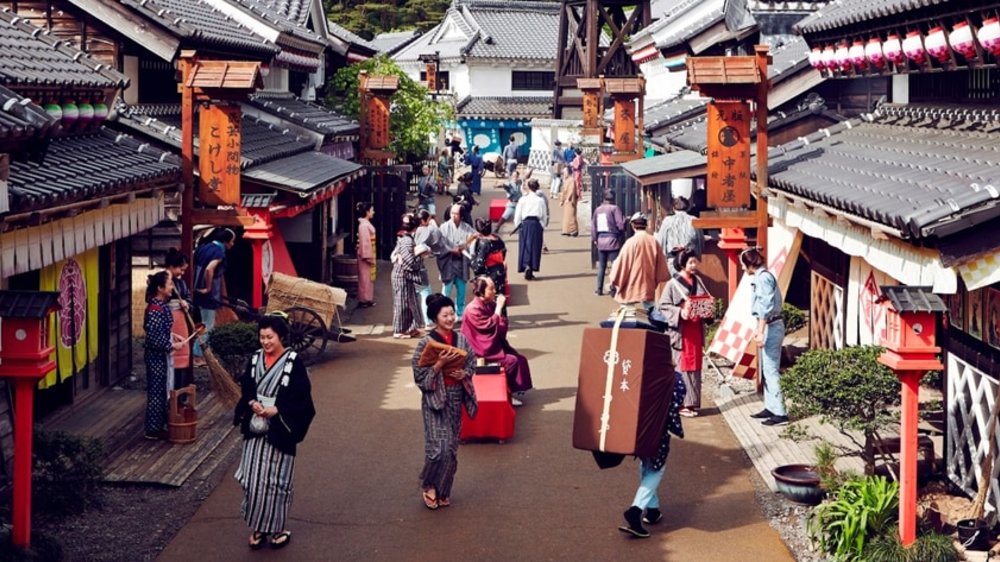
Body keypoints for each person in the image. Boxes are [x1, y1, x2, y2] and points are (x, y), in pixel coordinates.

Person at [233, 314, 316, 550]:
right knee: (252, 480)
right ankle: (258, 528)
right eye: (262, 337)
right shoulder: (255, 358)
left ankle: (278, 528)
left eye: (270, 337)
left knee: (276, 482)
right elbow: (247, 386)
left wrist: (278, 409)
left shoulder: (293, 361)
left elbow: (302, 396)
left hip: (280, 428)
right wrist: (252, 403)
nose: (265, 342)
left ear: (280, 337)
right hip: (255, 427)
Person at [412, 294, 478, 510]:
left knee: (450, 449)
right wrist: (438, 364)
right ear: (435, 318)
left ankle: (443, 490)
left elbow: (472, 362)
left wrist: (464, 374)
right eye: (445, 315)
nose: (450, 318)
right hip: (434, 399)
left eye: (452, 314)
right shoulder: (425, 343)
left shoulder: (461, 339)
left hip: (455, 396)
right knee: (437, 449)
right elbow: (419, 376)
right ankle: (429, 484)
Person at [619, 372, 687, 538]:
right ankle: (635, 510)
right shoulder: (673, 378)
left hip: (637, 430)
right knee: (656, 470)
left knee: (646, 465)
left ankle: (653, 510)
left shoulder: (639, 372)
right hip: (657, 431)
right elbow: (674, 405)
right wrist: (676, 428)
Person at [461, 276, 532, 405]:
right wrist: (498, 309)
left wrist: (500, 314)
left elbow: (499, 325)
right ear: (481, 291)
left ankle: (512, 390)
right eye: (491, 289)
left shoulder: (489, 304)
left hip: (490, 345)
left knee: (520, 359)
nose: (495, 291)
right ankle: (508, 392)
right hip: (478, 350)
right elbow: (487, 327)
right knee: (512, 361)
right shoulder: (472, 309)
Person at [657, 248, 710, 417]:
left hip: (695, 329)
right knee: (682, 366)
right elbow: (663, 306)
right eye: (690, 262)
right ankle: (681, 404)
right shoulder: (672, 284)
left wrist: (707, 309)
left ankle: (691, 403)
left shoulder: (698, 280)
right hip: (681, 331)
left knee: (695, 367)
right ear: (682, 264)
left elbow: (705, 299)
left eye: (695, 262)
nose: (694, 265)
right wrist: (679, 312)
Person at [742, 247, 788, 426]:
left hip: (771, 326)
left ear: (749, 264)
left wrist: (760, 330)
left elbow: (765, 306)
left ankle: (780, 413)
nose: (742, 268)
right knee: (766, 369)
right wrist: (758, 328)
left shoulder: (763, 278)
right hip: (768, 325)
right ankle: (771, 407)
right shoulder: (761, 277)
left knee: (771, 369)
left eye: (743, 264)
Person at [143, 271, 184, 440]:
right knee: (157, 392)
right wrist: (172, 345)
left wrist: (173, 336)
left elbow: (161, 331)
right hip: (156, 358)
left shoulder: (161, 306)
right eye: (169, 284)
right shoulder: (154, 310)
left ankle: (161, 423)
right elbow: (154, 338)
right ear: (160, 288)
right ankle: (153, 429)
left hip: (162, 357)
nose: (172, 287)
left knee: (164, 389)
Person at [192, 227, 235, 366]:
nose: (232, 244)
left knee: (203, 323)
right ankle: (198, 355)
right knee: (208, 325)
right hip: (207, 294)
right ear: (225, 241)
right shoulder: (219, 252)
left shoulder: (203, 248)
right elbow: (209, 269)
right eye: (232, 241)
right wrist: (208, 287)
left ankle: (200, 353)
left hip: (196, 289)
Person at [609, 213, 669, 308]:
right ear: (646, 225)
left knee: (628, 311)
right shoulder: (653, 241)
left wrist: (613, 279)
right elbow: (661, 265)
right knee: (650, 309)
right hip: (648, 283)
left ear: (633, 225)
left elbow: (621, 264)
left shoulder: (630, 242)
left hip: (631, 283)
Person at [438, 204, 477, 320]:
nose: (453, 216)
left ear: (461, 215)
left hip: (461, 262)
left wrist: (468, 245)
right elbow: (441, 243)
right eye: (452, 213)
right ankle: (443, 313)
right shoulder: (444, 227)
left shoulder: (467, 227)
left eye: (456, 214)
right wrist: (451, 250)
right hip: (448, 262)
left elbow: (473, 238)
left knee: (461, 290)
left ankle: (460, 313)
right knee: (446, 290)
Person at [391, 213, 424, 339]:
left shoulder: (404, 238)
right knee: (402, 303)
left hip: (403, 274)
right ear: (415, 228)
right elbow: (410, 263)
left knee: (409, 301)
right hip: (402, 275)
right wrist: (420, 256)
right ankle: (399, 330)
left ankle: (410, 328)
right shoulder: (407, 241)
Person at [164, 248, 193, 389]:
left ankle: (181, 390)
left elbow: (189, 298)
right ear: (172, 265)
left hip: (181, 320)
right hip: (167, 320)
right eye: (180, 269)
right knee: (170, 352)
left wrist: (187, 303)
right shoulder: (161, 279)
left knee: (183, 351)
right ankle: (170, 391)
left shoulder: (181, 283)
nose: (182, 273)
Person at [655, 196, 703, 274]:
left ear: (673, 208)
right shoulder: (694, 220)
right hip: (689, 260)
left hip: (673, 260)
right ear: (688, 208)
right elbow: (701, 242)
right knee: (688, 280)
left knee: (675, 280)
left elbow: (661, 242)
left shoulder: (667, 221)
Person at [415, 209, 447, 328]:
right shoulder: (427, 230)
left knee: (412, 296)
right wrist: (433, 225)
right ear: (425, 220)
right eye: (429, 219)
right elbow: (437, 239)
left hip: (408, 268)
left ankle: (415, 322)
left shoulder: (412, 231)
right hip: (419, 267)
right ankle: (428, 321)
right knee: (425, 293)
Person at [592, 192, 626, 296]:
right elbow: (620, 224)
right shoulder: (615, 209)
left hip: (601, 240)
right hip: (613, 240)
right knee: (614, 266)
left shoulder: (598, 210)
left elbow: (594, 226)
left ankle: (599, 289)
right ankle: (613, 289)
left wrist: (595, 238)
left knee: (602, 267)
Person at [513, 179, 548, 280]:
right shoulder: (540, 200)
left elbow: (518, 214)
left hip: (525, 224)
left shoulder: (523, 199)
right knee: (535, 246)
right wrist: (542, 225)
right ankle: (532, 267)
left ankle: (526, 265)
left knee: (525, 246)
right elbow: (544, 215)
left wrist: (518, 225)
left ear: (528, 187)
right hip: (536, 223)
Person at [471, 218, 507, 297]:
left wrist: (472, 258)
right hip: (500, 271)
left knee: (489, 298)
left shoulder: (484, 243)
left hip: (489, 276)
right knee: (499, 296)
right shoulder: (497, 239)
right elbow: (504, 253)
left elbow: (478, 267)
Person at [356, 202, 377, 308]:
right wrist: (368, 256)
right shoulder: (363, 226)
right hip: (365, 255)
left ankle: (367, 298)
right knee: (364, 278)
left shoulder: (364, 224)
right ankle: (363, 299)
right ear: (367, 212)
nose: (373, 212)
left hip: (370, 252)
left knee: (368, 278)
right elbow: (365, 243)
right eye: (372, 210)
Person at [495, 170, 524, 235]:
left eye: (516, 176)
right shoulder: (509, 183)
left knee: (523, 217)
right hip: (512, 204)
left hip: (520, 204)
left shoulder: (520, 182)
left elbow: (526, 177)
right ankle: (497, 227)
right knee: (505, 216)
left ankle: (523, 229)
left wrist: (531, 170)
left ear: (518, 176)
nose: (515, 178)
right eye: (513, 176)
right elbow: (504, 185)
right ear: (511, 176)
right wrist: (499, 185)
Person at [559, 166, 579, 236]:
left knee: (571, 215)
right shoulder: (566, 180)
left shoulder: (572, 180)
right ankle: (566, 230)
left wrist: (568, 198)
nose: (564, 173)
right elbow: (563, 191)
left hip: (570, 200)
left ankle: (574, 230)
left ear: (568, 172)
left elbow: (571, 189)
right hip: (566, 200)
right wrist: (562, 200)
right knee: (566, 216)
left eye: (565, 172)